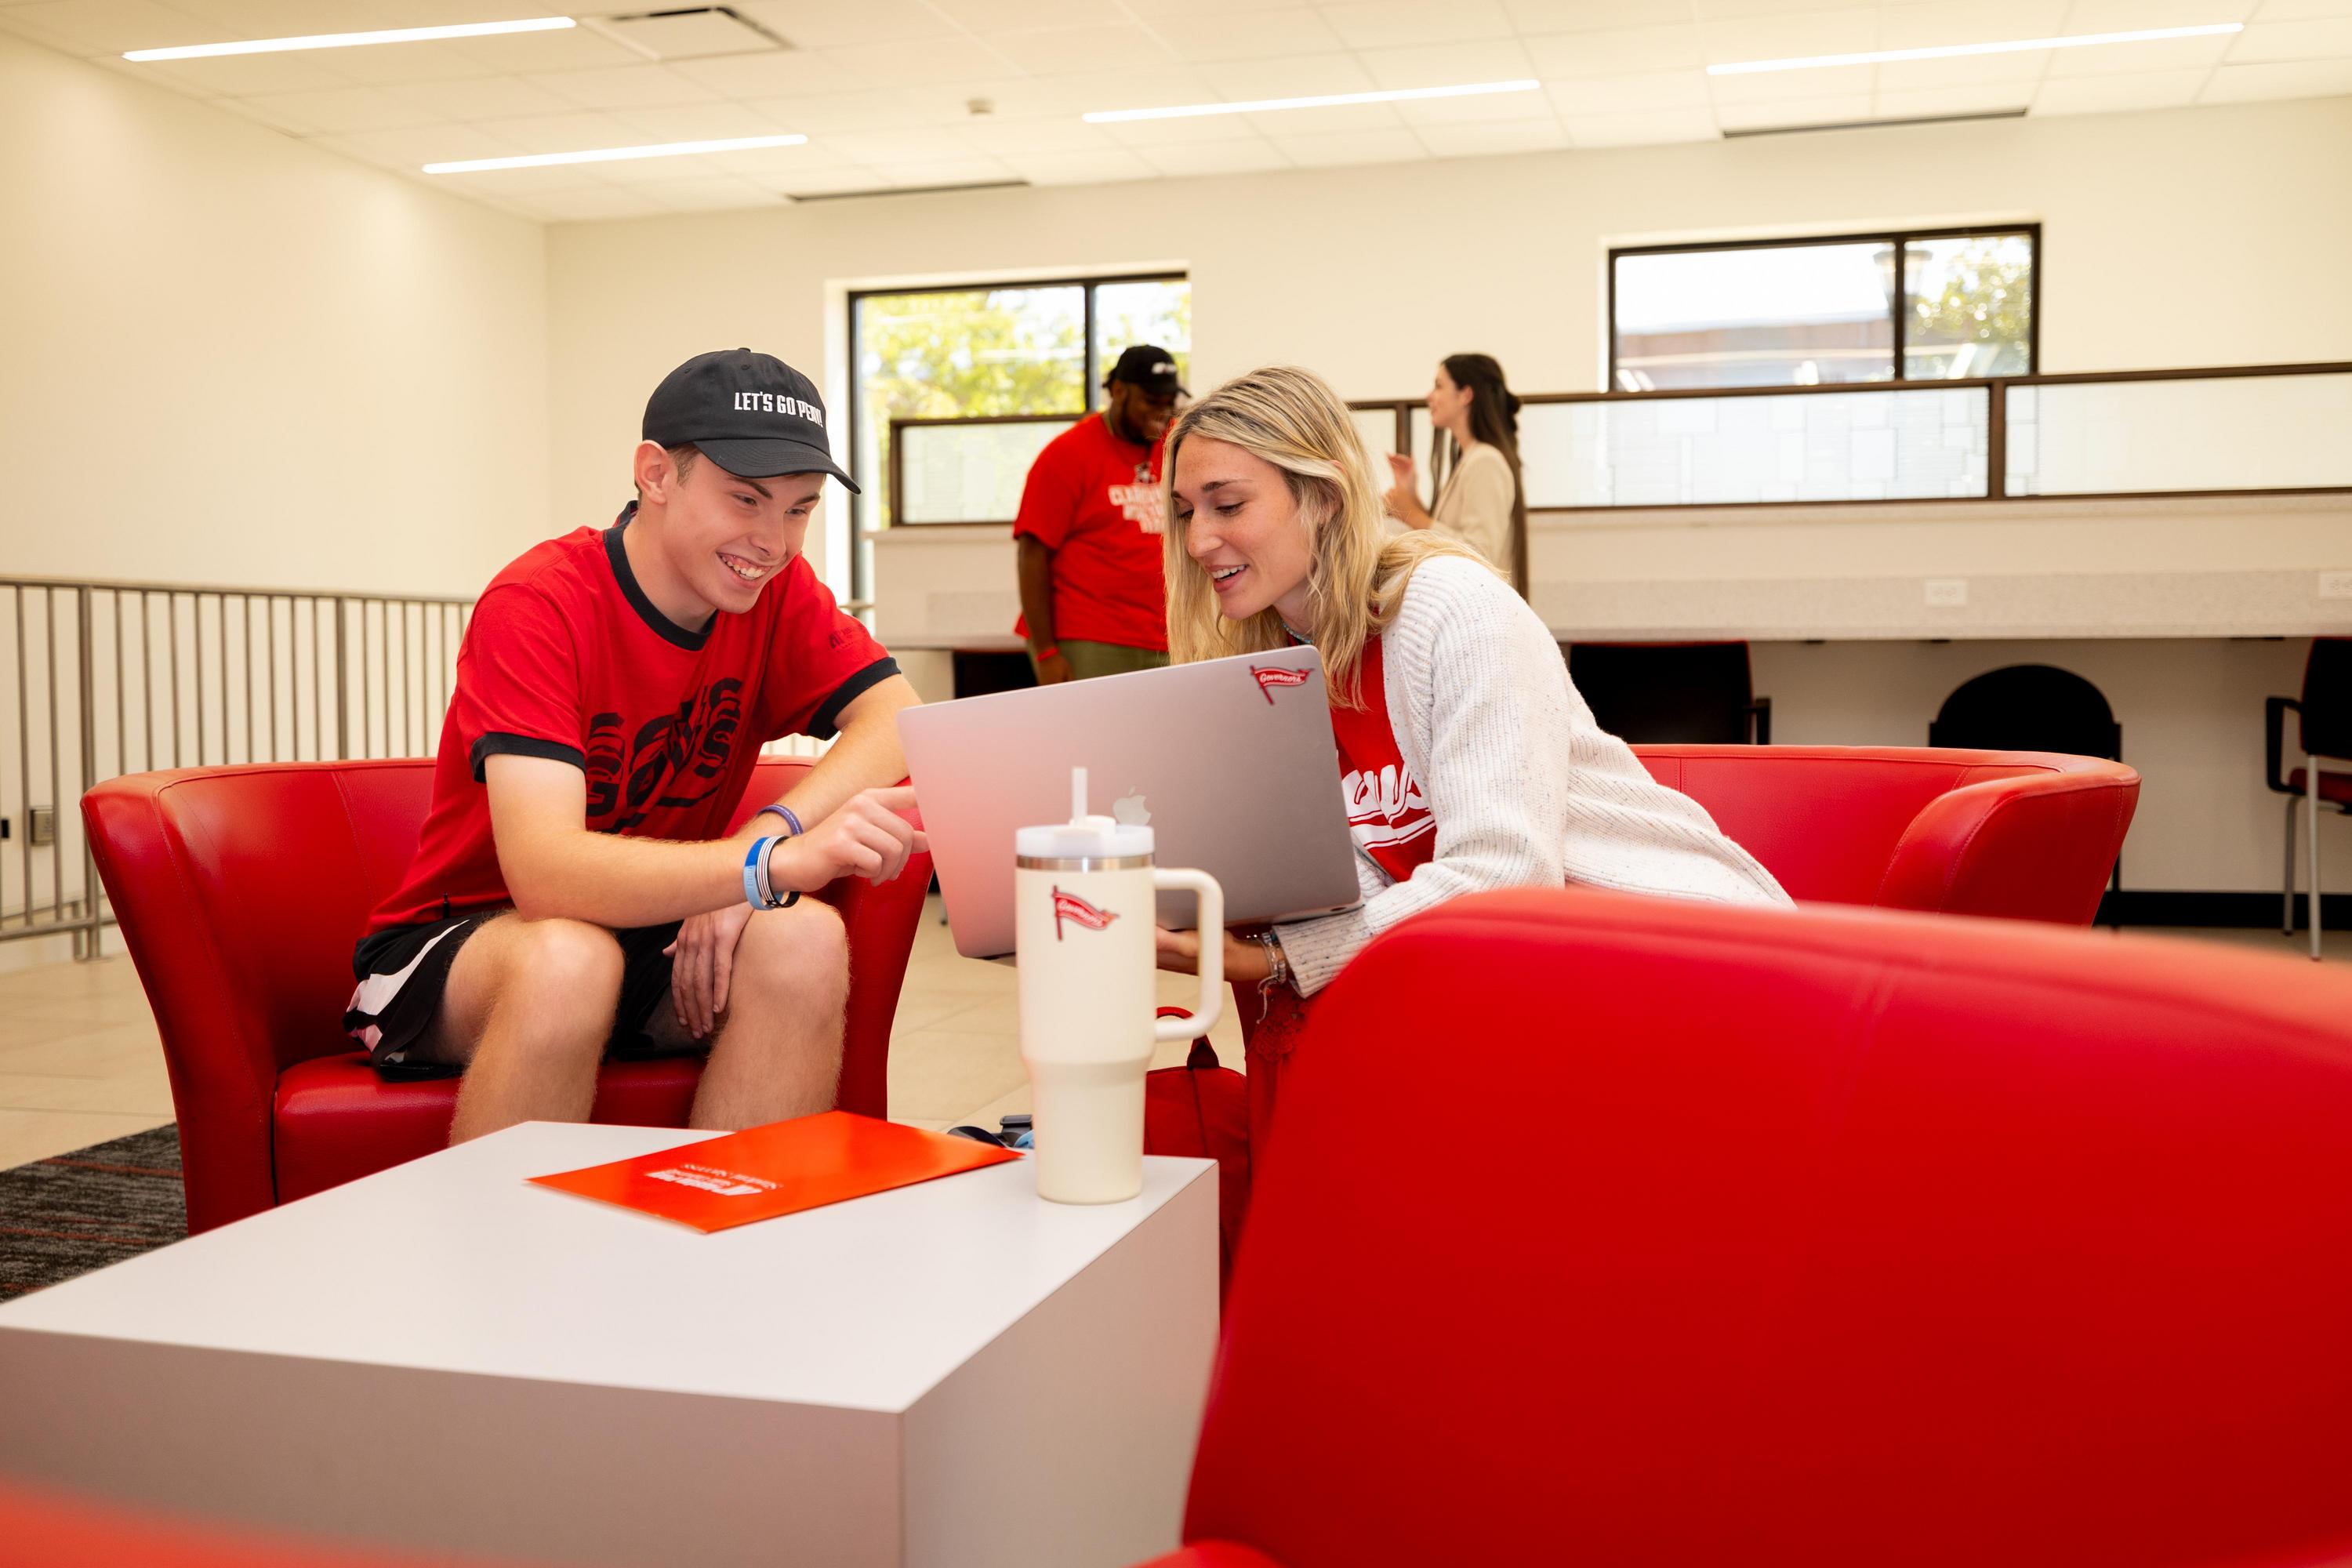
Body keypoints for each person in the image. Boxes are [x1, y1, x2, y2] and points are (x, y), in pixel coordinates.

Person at [344, 348, 926, 1145]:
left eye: (799, 508)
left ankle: (732, 1248)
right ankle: (502, 1266)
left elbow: (895, 716)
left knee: (805, 938)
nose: (774, 540)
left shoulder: (775, 593)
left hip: (647, 932)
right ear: (656, 473)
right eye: (746, 499)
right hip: (465, 945)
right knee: (568, 962)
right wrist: (759, 870)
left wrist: (766, 837)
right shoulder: (540, 601)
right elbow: (546, 873)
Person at [1154, 364, 1788, 1014]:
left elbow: (1505, 874)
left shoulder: (1456, 609)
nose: (1199, 539)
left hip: (1689, 963)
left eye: (1228, 505)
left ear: (1325, 498)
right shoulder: (1284, 662)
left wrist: (1283, 957)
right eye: (1184, 512)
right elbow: (1381, 861)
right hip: (1524, 977)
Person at [1014, 344, 1184, 684]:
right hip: (1091, 636)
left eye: (1169, 404)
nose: (1162, 415)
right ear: (1118, 391)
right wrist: (1047, 652)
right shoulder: (1067, 455)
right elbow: (1032, 552)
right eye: (1151, 403)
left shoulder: (1178, 445)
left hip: (1170, 634)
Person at [1382, 354, 1526, 592]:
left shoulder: (1485, 461)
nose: (1429, 396)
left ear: (1465, 395)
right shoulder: (1470, 459)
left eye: (1439, 386)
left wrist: (1412, 514)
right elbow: (1450, 536)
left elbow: (1480, 553)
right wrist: (1411, 495)